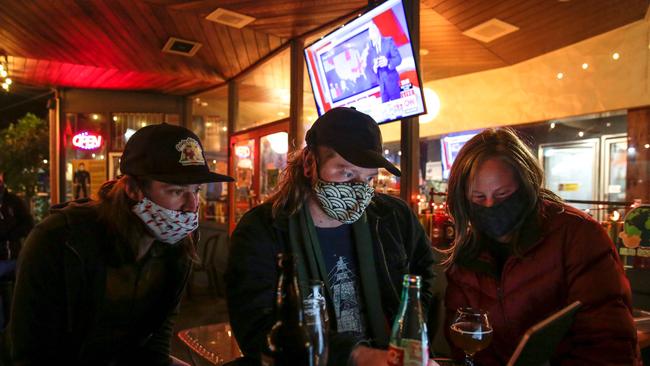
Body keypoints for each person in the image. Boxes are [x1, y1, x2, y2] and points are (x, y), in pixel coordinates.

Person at [3, 123, 234, 365]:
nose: (191, 205)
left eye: (196, 190)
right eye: (176, 191)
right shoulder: (59, 239)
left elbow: (156, 342)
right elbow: (30, 351)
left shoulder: (177, 244)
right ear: (133, 189)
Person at [225, 107, 439, 366]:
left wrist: (411, 333)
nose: (358, 190)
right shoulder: (262, 230)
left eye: (368, 178)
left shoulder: (394, 217)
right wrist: (356, 356)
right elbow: (256, 329)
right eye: (346, 173)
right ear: (309, 163)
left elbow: (424, 275)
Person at [443, 128, 639, 365]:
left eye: (503, 194)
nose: (491, 206)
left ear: (527, 185)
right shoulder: (468, 253)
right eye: (478, 198)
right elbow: (463, 348)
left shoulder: (577, 236)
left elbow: (609, 346)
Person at [0, 171, 34, 329]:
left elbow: (28, 224)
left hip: (10, 260)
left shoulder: (13, 201)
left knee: (12, 303)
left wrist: (10, 234)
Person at [363, 22, 402, 102]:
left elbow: (398, 59)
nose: (371, 38)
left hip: (392, 83)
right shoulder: (371, 50)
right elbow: (369, 69)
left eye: (373, 33)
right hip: (382, 86)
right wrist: (374, 69)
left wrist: (387, 62)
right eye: (370, 36)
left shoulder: (388, 41)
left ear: (377, 32)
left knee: (398, 110)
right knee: (387, 112)